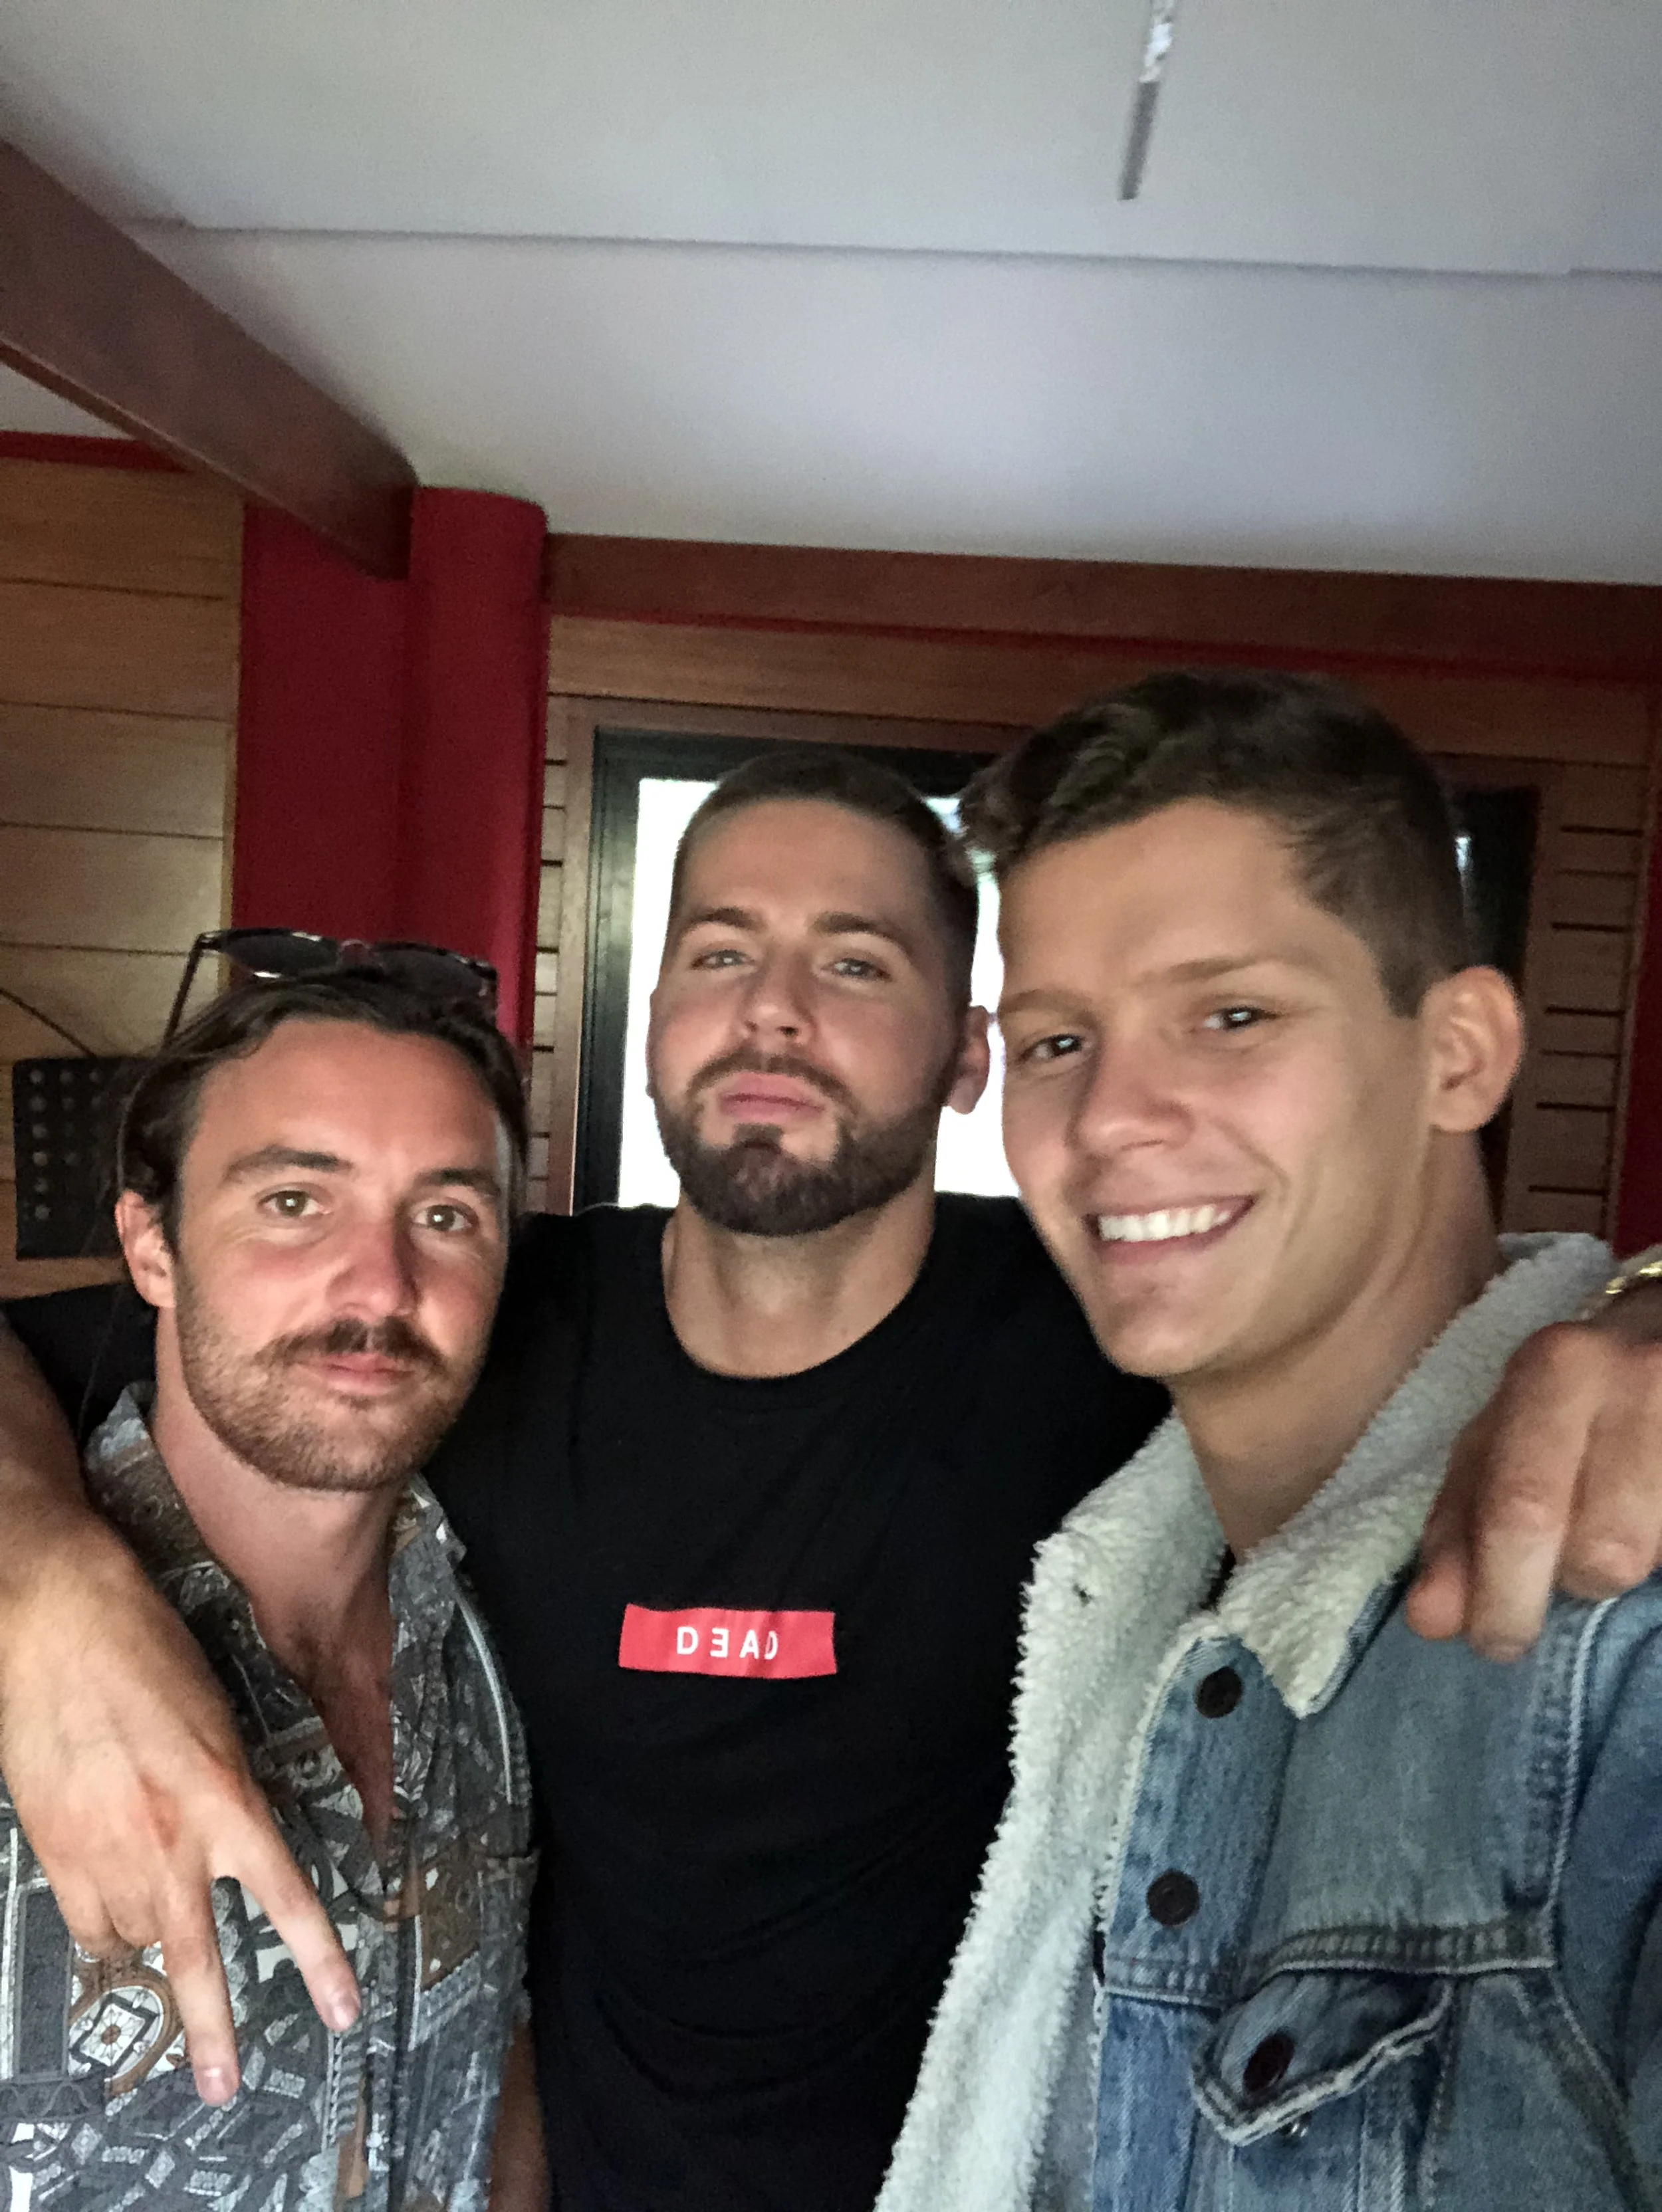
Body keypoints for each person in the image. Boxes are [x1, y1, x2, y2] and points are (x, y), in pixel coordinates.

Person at [1, 750, 1661, 2212]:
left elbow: (1415, 1307)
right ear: (655, 1018)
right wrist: (44, 1579)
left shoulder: (1125, 1315)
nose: (772, 1009)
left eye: (853, 962)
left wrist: (1639, 1313)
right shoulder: (464, 1316)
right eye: (719, 950)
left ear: (964, 1057)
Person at [876, 672, 1662, 2212]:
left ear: (1457, 1053)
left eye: (1229, 1014)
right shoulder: (1122, 1557)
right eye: (1052, 1041)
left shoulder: (1618, 1626)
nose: (1108, 1115)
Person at [0, 969, 541, 2208]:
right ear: (153, 1247)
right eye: (295, 1201)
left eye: (447, 1216)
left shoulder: (490, 1648)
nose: (380, 1287)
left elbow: (494, 2061)